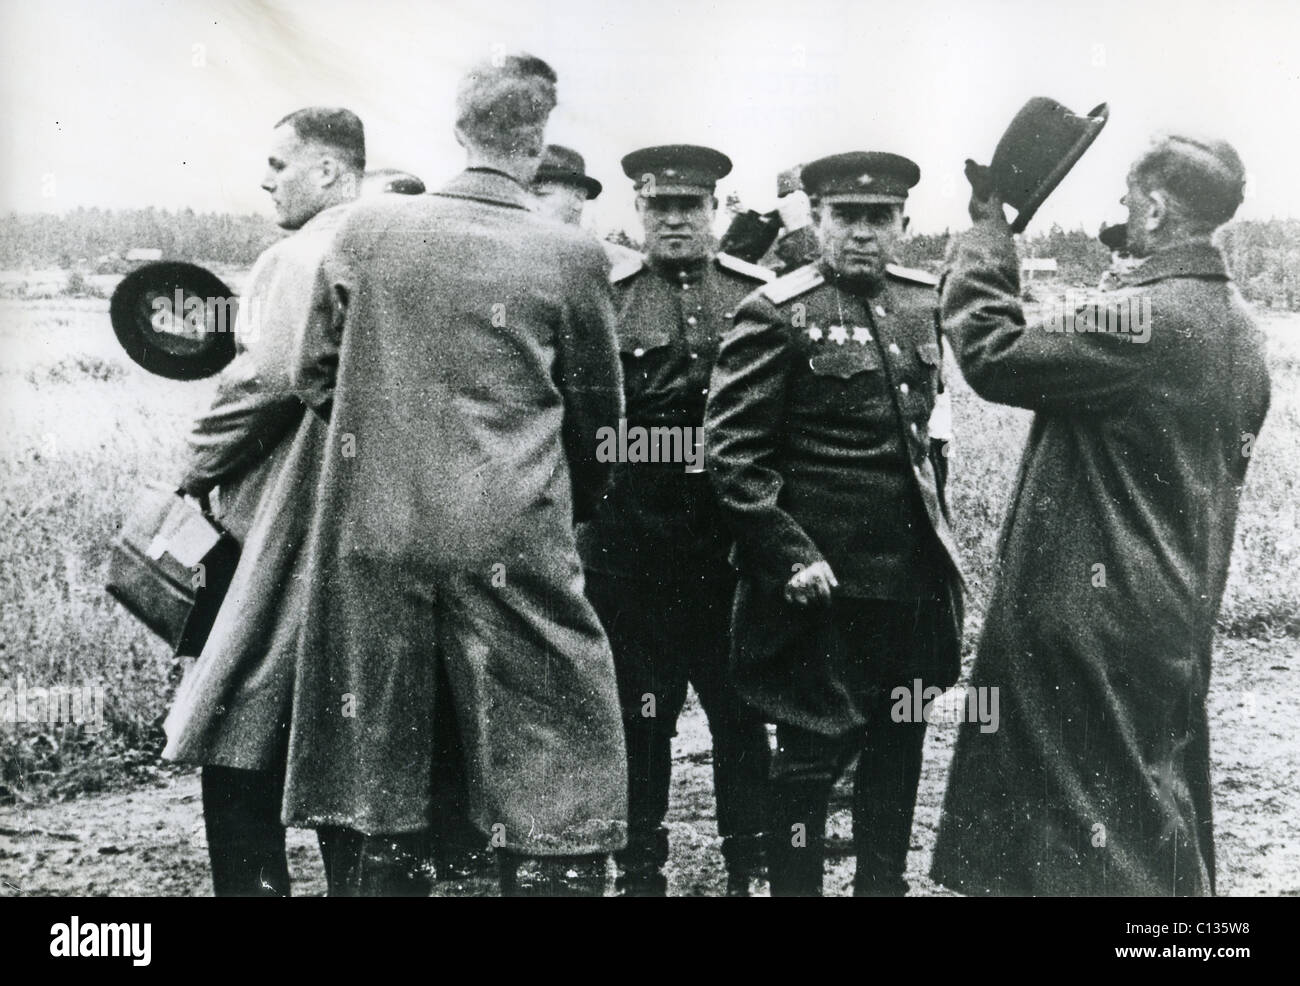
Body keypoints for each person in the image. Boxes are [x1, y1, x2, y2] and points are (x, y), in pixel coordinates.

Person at [280, 53, 628, 897]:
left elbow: (314, 374)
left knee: (383, 775)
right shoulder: (570, 256)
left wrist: (398, 443)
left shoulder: (366, 231)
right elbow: (599, 424)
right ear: (538, 143)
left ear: (458, 130)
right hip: (512, 536)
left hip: (379, 535)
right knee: (551, 754)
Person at [930, 135, 1269, 896]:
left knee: (1096, 835)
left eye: (1126, 199)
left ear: (1153, 206)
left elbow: (993, 348)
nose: (1123, 211)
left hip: (1094, 619)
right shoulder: (1239, 326)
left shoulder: (1145, 319)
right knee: (1146, 805)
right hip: (1171, 612)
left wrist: (989, 236)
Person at [704, 151, 964, 896]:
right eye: (845, 218)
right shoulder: (775, 312)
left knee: (898, 745)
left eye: (878, 219)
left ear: (903, 225)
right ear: (816, 220)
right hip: (820, 588)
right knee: (811, 759)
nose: (862, 235)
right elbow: (732, 458)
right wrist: (790, 555)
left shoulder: (923, 303)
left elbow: (927, 447)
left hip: (907, 583)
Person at [162, 107, 365, 896]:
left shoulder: (301, 253)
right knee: (349, 738)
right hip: (363, 529)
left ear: (326, 170)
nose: (265, 179)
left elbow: (264, 381)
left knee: (235, 720)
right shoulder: (389, 246)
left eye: (278, 164)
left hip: (280, 531)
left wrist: (190, 469)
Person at [576, 144, 774, 896]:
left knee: (740, 713)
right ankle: (639, 868)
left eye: (691, 207)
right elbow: (593, 427)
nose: (676, 221)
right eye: (660, 207)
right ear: (639, 212)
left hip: (731, 552)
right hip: (635, 553)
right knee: (641, 718)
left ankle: (748, 865)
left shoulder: (757, 297)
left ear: (715, 210)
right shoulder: (606, 297)